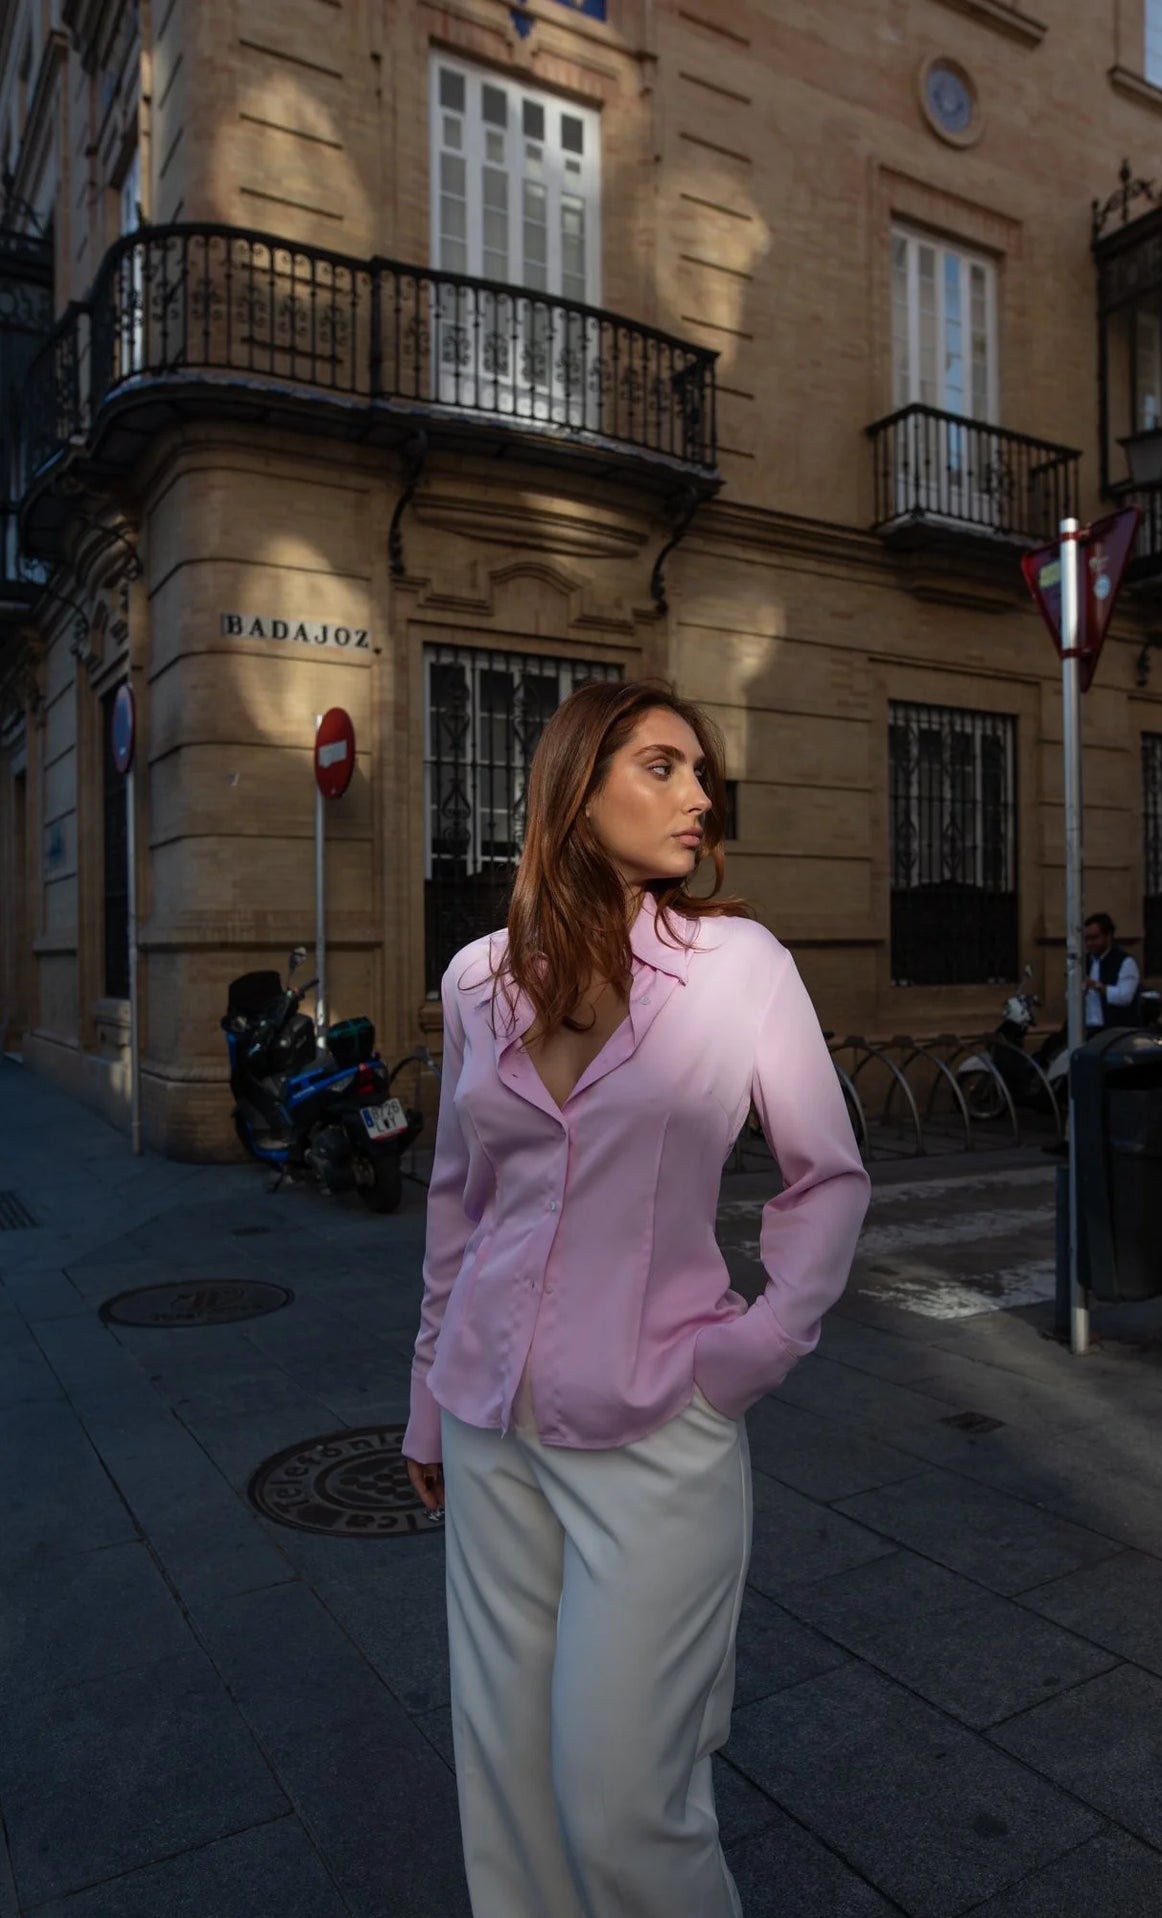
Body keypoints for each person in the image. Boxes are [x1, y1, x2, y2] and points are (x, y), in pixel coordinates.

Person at [402, 677, 870, 1918]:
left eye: (700, 771)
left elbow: (826, 1174)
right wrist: (426, 1401)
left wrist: (753, 1348)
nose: (697, 794)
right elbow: (458, 1202)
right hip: (487, 1422)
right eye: (662, 765)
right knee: (505, 1780)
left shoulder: (737, 966)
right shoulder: (475, 980)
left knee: (622, 1808)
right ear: (576, 786)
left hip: (657, 1423)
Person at [1083, 911, 1142, 1030]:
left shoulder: (1125, 961)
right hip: (1086, 1028)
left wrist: (1098, 986)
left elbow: (1125, 997)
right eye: (1086, 939)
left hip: (1114, 1029)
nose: (1089, 943)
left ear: (1108, 936)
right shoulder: (1084, 962)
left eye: (1094, 938)